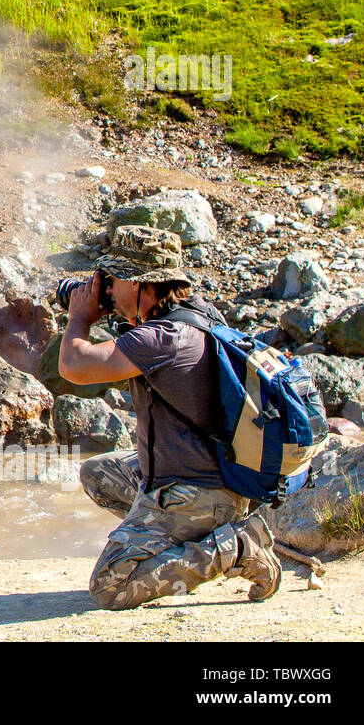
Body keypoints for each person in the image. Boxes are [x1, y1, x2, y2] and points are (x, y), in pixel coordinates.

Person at [58, 225, 281, 610]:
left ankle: (233, 547)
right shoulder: (197, 315)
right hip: (213, 473)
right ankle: (167, 535)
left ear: (140, 283)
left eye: (112, 279)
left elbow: (74, 366)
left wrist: (80, 317)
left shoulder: (162, 338)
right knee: (98, 473)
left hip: (199, 490)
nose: (106, 289)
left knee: (111, 588)